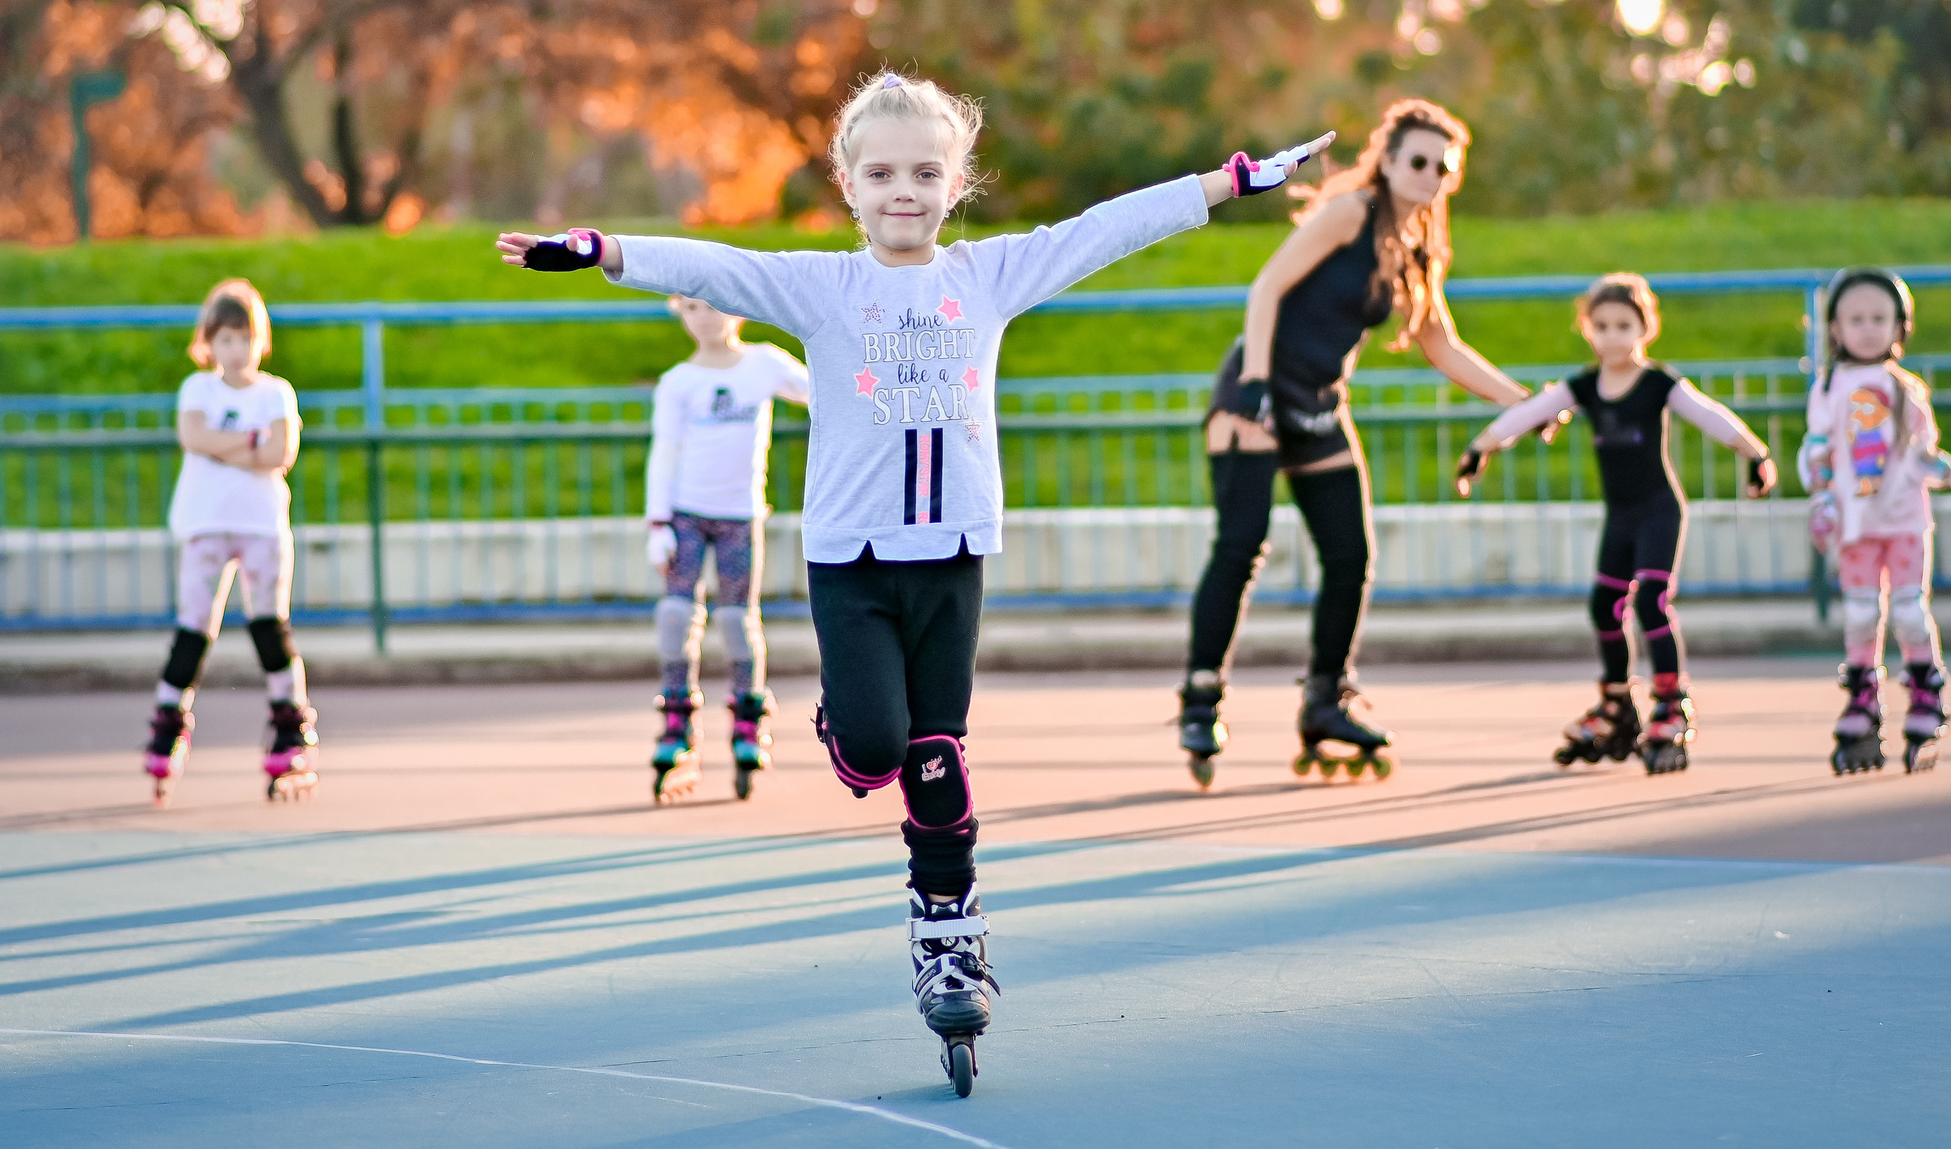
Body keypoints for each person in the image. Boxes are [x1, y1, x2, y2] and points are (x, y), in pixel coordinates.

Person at [497, 70, 1329, 1095]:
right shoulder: (821, 289)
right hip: (850, 563)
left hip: (953, 559)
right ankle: (849, 728)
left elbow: (1106, 228)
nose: (905, 189)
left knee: (936, 756)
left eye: (926, 171)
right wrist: (600, 253)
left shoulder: (986, 275)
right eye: (882, 172)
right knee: (875, 748)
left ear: (956, 181)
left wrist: (1227, 182)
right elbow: (713, 265)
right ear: (848, 183)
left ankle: (950, 938)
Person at [1177, 100, 1539, 789]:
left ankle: (1325, 700)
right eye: (1418, 161)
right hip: (1256, 389)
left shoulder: (1415, 248)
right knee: (1242, 542)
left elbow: (1442, 345)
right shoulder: (1350, 214)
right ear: (1390, 159)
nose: (1429, 175)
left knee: (1350, 554)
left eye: (1443, 168)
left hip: (1316, 403)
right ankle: (1201, 699)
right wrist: (1254, 380)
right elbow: (1268, 287)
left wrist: (1527, 403)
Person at [1455, 273, 1777, 775]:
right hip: (1621, 516)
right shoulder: (1584, 386)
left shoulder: (1657, 384)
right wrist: (1480, 448)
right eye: (1601, 325)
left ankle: (1671, 703)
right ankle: (1616, 703)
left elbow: (1708, 414)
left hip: (1658, 510)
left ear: (1645, 328)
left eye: (1624, 325)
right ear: (1587, 329)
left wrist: (1754, 453)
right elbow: (1530, 412)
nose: (1612, 336)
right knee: (1604, 606)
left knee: (1650, 601)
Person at [1798, 268, 1951, 775]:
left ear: (1900, 326)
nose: (1868, 328)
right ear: (1835, 328)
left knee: (1911, 613)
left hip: (1905, 522)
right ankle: (1862, 701)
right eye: (1856, 318)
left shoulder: (1906, 387)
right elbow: (1819, 448)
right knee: (1860, 615)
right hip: (1856, 524)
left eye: (1879, 318)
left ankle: (1924, 694)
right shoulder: (1828, 386)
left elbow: (1922, 456)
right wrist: (1821, 496)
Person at [146, 279, 312, 804]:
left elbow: (279, 454)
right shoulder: (198, 390)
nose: (235, 351)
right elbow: (194, 437)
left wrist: (225, 449)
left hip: (262, 523)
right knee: (194, 628)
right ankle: (169, 720)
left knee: (269, 625)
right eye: (225, 340)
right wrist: (249, 442)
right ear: (209, 344)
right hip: (205, 522)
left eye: (244, 339)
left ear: (259, 340)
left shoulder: (275, 392)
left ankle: (290, 724)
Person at [641, 294, 811, 801]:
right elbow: (664, 449)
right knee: (675, 615)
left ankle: (747, 718)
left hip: (740, 516)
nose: (706, 317)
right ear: (681, 314)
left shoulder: (764, 364)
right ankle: (677, 724)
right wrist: (657, 523)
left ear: (737, 309)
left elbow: (825, 392)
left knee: (738, 619)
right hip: (687, 515)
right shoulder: (678, 382)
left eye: (715, 305)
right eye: (693, 308)